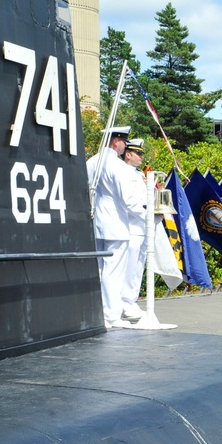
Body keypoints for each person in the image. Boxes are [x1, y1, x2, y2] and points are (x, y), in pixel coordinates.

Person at [86, 127, 132, 327]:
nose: (125, 146)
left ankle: (97, 312)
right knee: (114, 272)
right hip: (116, 224)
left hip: (98, 222)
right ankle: (111, 315)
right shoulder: (118, 165)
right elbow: (128, 199)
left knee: (99, 269)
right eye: (124, 142)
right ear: (116, 141)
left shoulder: (91, 162)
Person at [120, 140, 148, 321]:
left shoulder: (139, 175)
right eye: (138, 153)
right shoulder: (123, 173)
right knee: (129, 267)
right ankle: (124, 302)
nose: (141, 157)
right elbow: (128, 202)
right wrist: (147, 215)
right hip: (130, 226)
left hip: (142, 227)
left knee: (138, 266)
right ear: (128, 154)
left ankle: (131, 299)